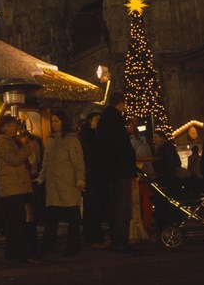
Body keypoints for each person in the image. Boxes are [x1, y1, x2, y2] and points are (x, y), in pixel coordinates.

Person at [0, 115, 41, 264]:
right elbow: (14, 160)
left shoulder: (9, 141)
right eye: (9, 126)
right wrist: (28, 148)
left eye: (14, 125)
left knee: (15, 222)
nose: (13, 128)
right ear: (2, 128)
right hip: (12, 187)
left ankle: (11, 252)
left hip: (15, 187)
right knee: (18, 222)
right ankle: (23, 254)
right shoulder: (3, 143)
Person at [39, 111, 86, 257]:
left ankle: (73, 247)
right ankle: (49, 246)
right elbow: (46, 162)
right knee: (51, 218)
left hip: (68, 185)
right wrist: (41, 178)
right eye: (52, 121)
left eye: (56, 121)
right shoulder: (51, 140)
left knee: (72, 216)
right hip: (53, 186)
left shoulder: (72, 140)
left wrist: (80, 178)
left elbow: (78, 162)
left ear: (63, 122)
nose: (54, 124)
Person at [96, 92, 137, 254]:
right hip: (121, 171)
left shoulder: (104, 120)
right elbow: (123, 147)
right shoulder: (116, 120)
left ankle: (116, 240)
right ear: (120, 103)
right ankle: (121, 242)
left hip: (110, 171)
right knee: (122, 206)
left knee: (115, 206)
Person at [78, 111, 108, 248]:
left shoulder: (92, 135)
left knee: (93, 207)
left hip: (94, 175)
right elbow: (92, 153)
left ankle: (94, 236)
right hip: (91, 175)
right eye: (97, 119)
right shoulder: (88, 136)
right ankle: (93, 237)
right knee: (92, 207)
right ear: (90, 120)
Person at [151, 130, 185, 230]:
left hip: (168, 180)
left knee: (166, 201)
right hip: (168, 178)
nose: (154, 139)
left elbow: (169, 164)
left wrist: (160, 173)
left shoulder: (165, 148)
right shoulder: (165, 147)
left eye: (156, 137)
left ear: (162, 138)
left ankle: (169, 223)